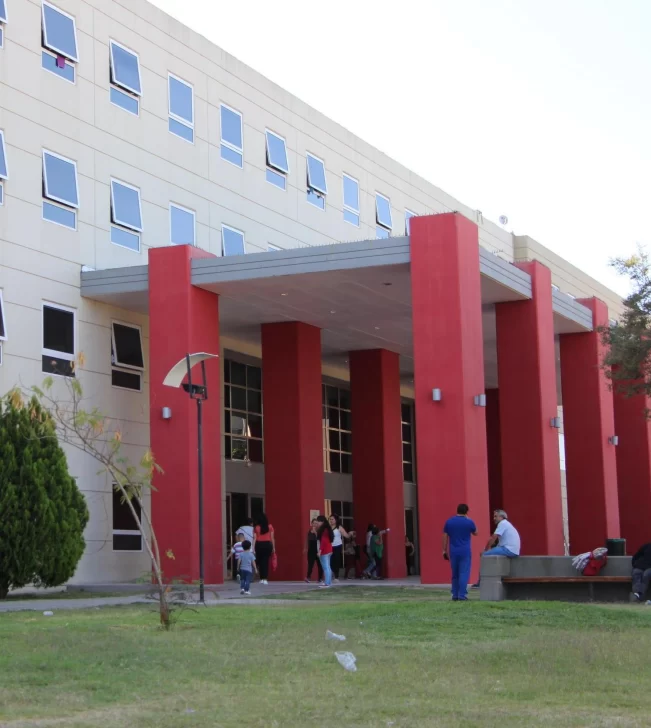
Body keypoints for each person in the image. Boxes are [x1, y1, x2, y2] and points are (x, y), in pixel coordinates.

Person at [442, 503, 477, 601]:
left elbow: (445, 536)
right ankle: (462, 595)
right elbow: (476, 532)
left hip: (453, 551)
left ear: (457, 510)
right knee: (463, 573)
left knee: (455, 574)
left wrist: (444, 550)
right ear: (466, 512)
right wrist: (468, 519)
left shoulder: (449, 522)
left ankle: (455, 594)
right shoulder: (469, 522)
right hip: (465, 551)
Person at [329, 515, 354, 584]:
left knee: (337, 561)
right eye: (330, 519)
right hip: (329, 546)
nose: (331, 520)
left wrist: (350, 534)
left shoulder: (339, 527)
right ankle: (330, 575)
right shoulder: (328, 527)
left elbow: (346, 535)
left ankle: (336, 577)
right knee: (330, 561)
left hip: (337, 546)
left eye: (332, 519)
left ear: (336, 520)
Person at [252, 513, 275, 584]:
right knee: (265, 561)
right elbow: (272, 538)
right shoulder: (270, 527)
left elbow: (254, 538)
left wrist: (253, 548)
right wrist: (274, 547)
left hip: (259, 545)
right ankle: (265, 578)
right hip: (267, 545)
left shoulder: (256, 528)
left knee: (260, 561)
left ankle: (261, 578)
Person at [316, 515, 334, 588]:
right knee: (328, 567)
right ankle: (328, 582)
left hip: (325, 550)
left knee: (326, 567)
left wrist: (320, 551)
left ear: (322, 522)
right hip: (329, 549)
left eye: (318, 521)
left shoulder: (324, 530)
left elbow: (323, 541)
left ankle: (327, 583)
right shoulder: (327, 529)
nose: (317, 523)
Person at [305, 518, 324, 584]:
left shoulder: (319, 531)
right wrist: (305, 548)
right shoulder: (309, 531)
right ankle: (308, 577)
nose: (315, 525)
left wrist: (315, 532)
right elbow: (307, 540)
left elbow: (319, 539)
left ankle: (320, 578)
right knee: (310, 564)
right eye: (314, 523)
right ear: (311, 523)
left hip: (318, 549)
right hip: (311, 550)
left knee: (319, 564)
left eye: (316, 523)